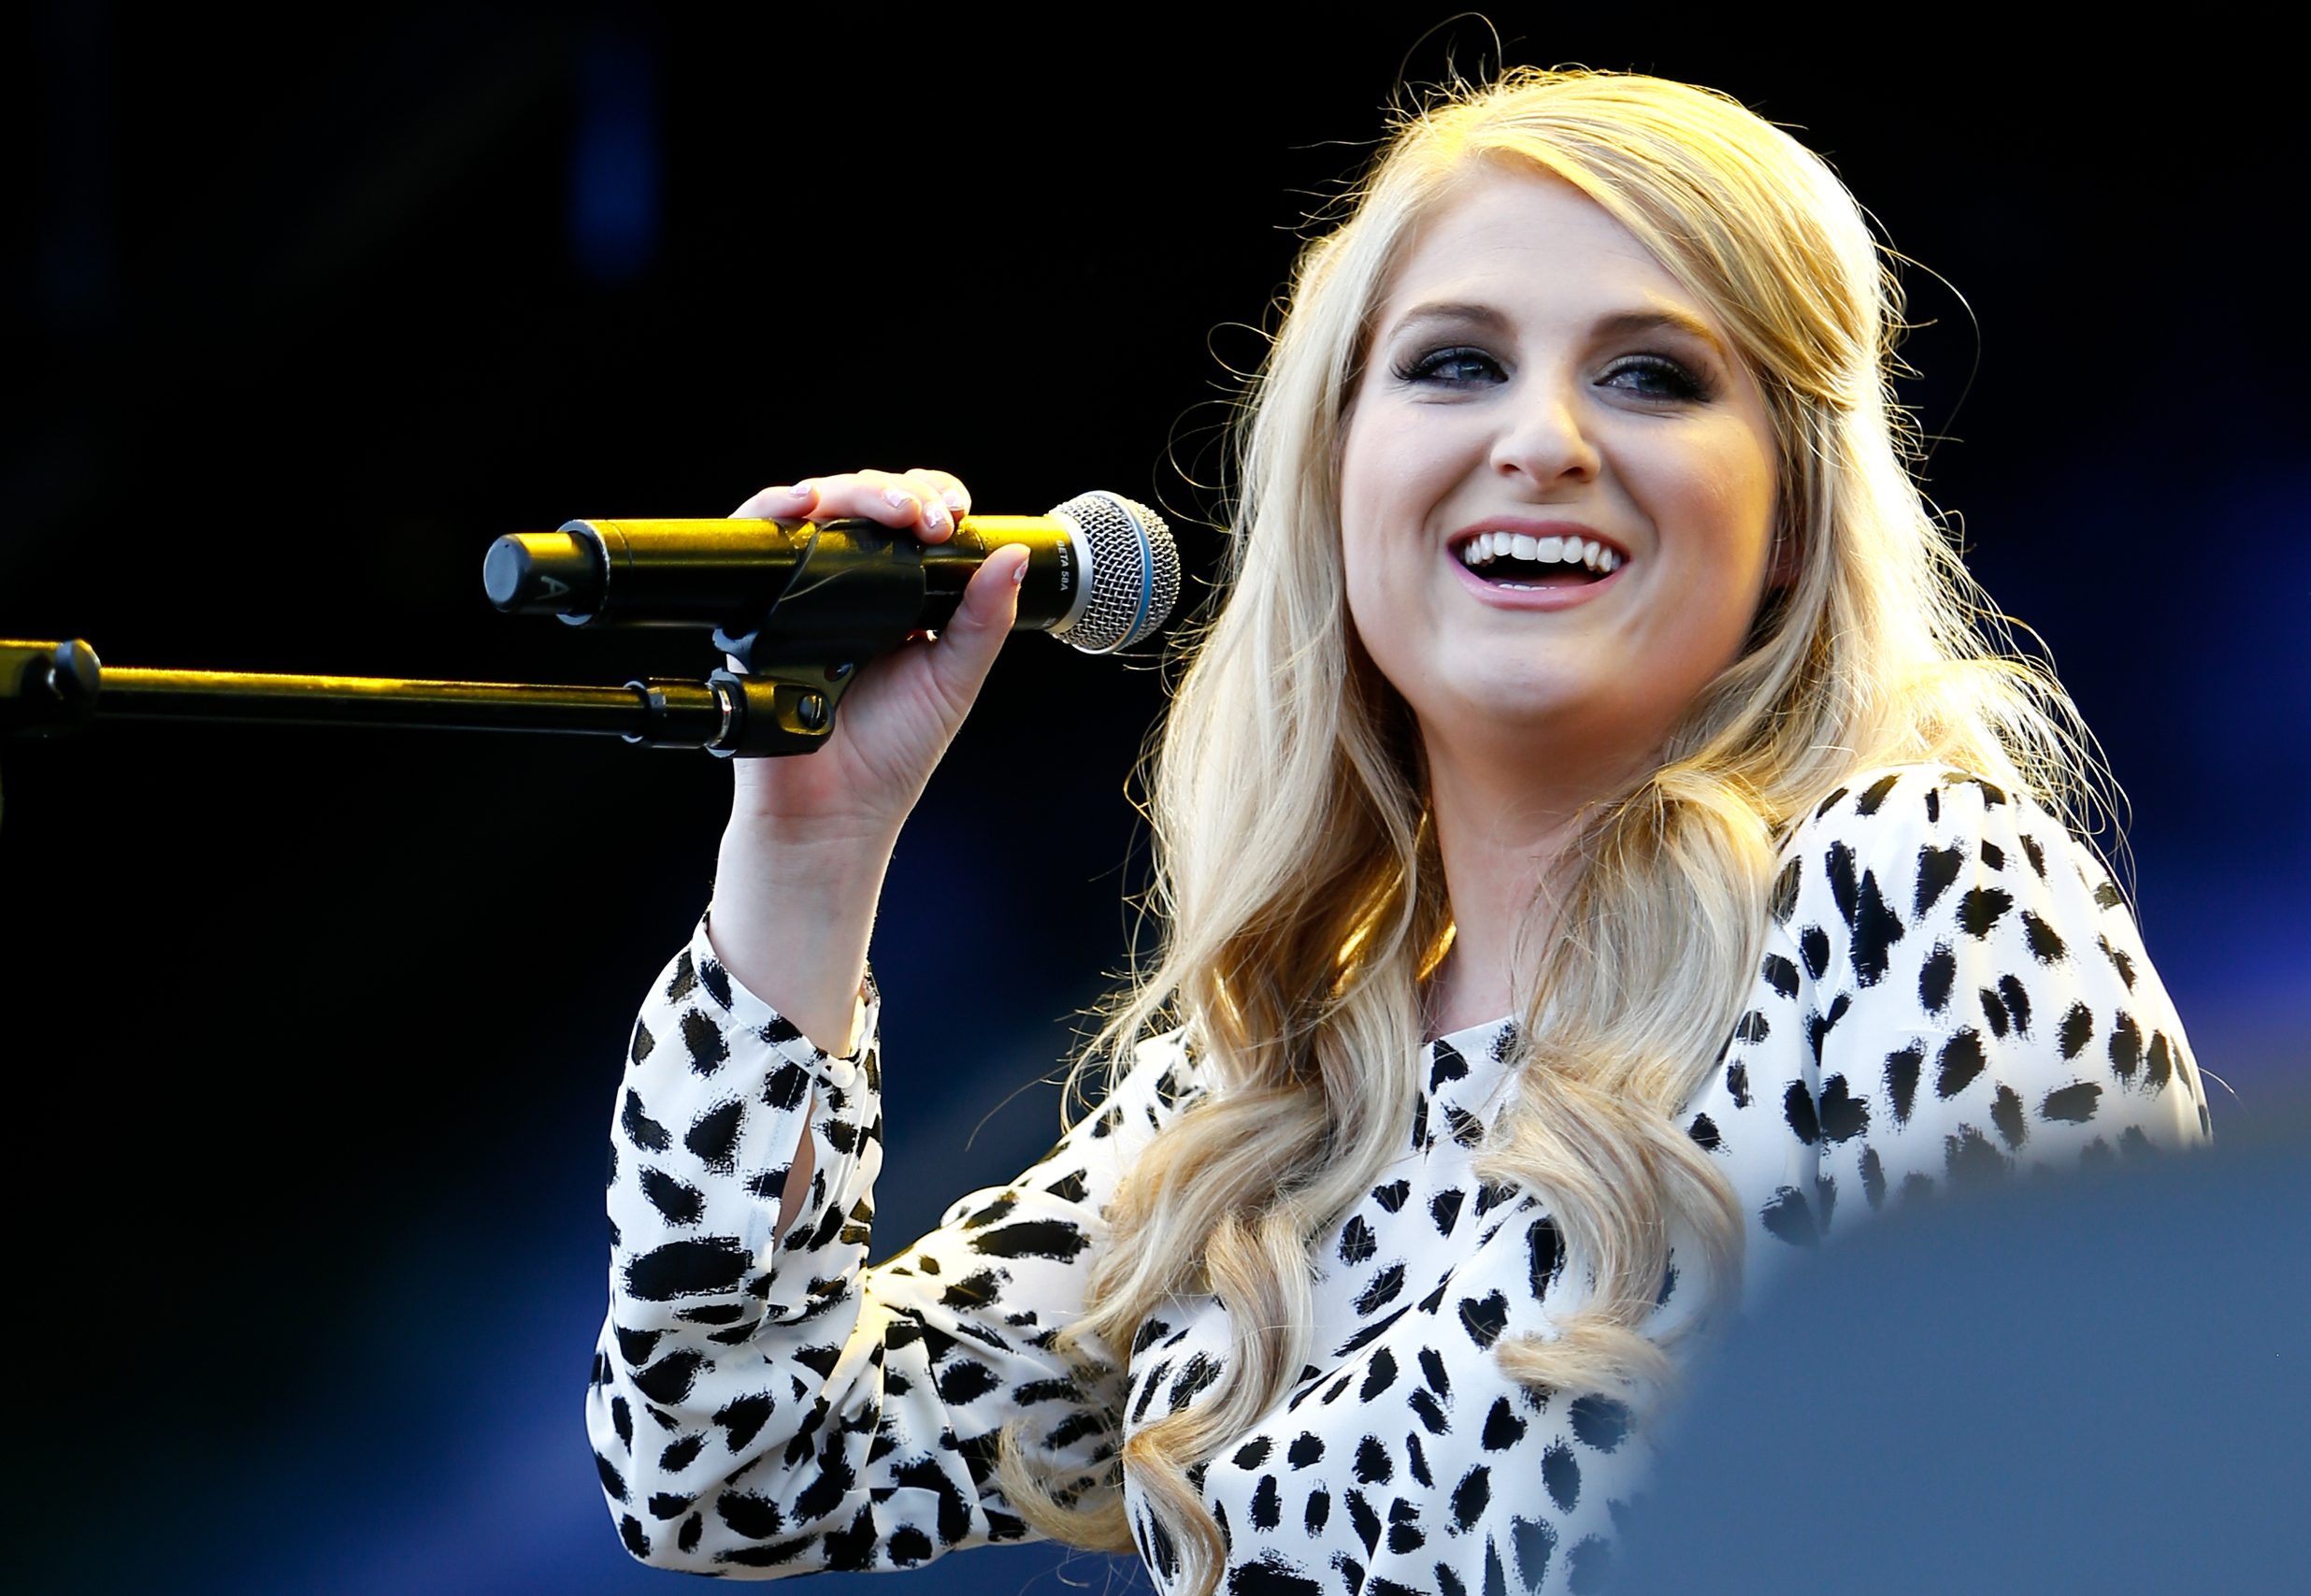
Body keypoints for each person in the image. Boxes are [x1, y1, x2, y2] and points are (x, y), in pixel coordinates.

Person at [587, 70, 2209, 1593]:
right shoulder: (1273, 1087)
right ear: (1338, 477)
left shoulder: (1912, 901)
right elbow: (732, 1468)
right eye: (1454, 364)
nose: (1542, 441)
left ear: (1790, 519)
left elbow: (2165, 1513)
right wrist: (811, 849)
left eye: (1651, 374)